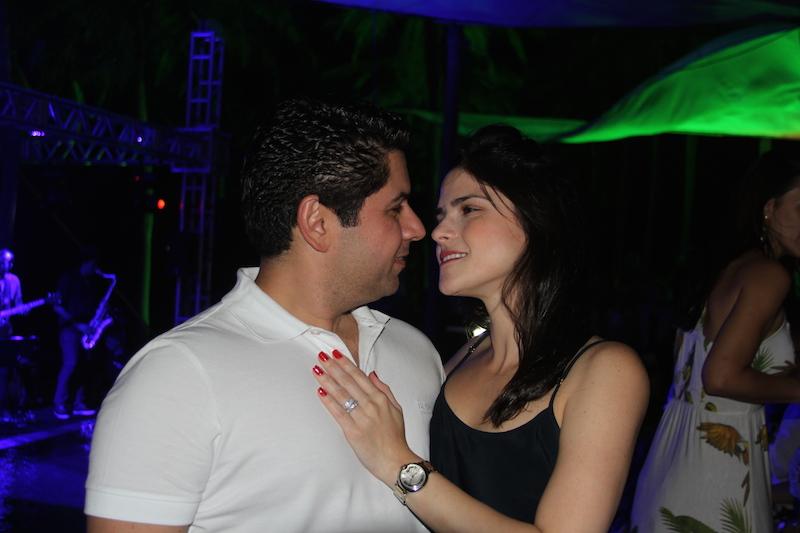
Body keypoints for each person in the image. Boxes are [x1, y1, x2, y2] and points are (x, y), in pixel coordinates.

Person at [85, 99, 444, 532]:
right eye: (395, 208)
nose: (417, 228)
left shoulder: (416, 350)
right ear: (317, 222)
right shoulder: (178, 375)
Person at [312, 125, 649, 531]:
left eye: (469, 209)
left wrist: (399, 465)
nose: (438, 232)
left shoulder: (607, 369)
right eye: (442, 215)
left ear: (536, 220)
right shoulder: (463, 357)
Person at [630, 149, 800, 532]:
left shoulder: (725, 268)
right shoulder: (768, 275)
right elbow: (720, 376)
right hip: (716, 474)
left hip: (671, 461)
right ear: (769, 209)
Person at [52, 248, 110, 419]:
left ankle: (78, 404)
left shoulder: (91, 282)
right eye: (94, 264)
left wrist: (101, 315)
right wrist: (77, 324)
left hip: (87, 329)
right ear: (87, 262)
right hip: (70, 328)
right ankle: (58, 403)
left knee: (83, 367)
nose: (96, 268)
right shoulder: (68, 278)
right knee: (70, 364)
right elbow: (57, 307)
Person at [0, 248, 23, 421]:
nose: (4, 263)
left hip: (6, 330)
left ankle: (5, 410)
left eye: (8, 261)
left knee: (5, 371)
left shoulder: (14, 280)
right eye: (2, 260)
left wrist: (23, 309)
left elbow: (18, 303)